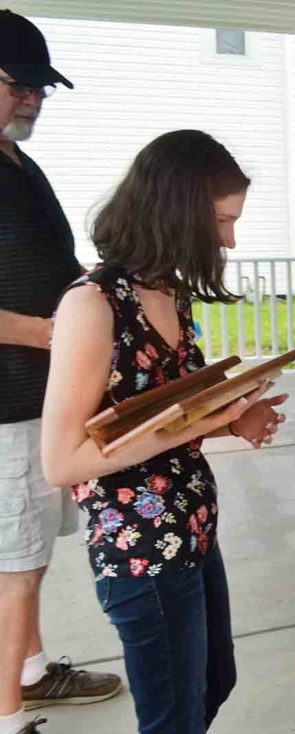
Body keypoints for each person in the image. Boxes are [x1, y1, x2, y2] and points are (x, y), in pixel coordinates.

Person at [39, 130, 289, 733]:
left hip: (193, 529)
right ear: (178, 211)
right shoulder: (92, 306)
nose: (229, 238)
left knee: (213, 683)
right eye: (222, 221)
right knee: (173, 719)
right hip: (142, 553)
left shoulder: (168, 294)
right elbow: (63, 461)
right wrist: (199, 423)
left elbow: (175, 410)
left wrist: (232, 417)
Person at [0, 10, 123, 734]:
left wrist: (96, 291)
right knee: (14, 564)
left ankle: (31, 673)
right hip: (6, 405)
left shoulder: (19, 164)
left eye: (43, 89)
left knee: (31, 557)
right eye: (20, 85)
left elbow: (48, 265)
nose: (34, 101)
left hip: (37, 399)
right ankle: (9, 717)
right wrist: (52, 333)